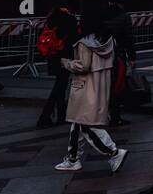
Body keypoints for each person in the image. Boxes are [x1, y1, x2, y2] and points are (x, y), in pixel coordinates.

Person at [54, 13, 128, 173]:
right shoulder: (108, 41)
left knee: (86, 125)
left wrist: (65, 62)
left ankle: (113, 152)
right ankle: (73, 158)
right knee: (78, 122)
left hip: (85, 87)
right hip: (101, 86)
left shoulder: (84, 43)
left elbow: (83, 66)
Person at [37, 1, 79, 128]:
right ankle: (45, 116)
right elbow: (75, 36)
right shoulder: (70, 19)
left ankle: (61, 115)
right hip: (64, 55)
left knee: (60, 83)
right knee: (61, 84)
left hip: (52, 55)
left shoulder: (51, 18)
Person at [104, 0, 135, 126]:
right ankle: (116, 116)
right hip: (117, 54)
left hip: (102, 55)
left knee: (103, 86)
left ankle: (104, 114)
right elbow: (128, 38)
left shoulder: (102, 16)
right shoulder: (124, 17)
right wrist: (132, 56)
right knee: (117, 86)